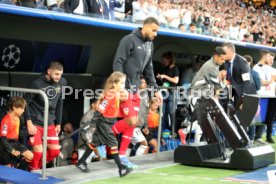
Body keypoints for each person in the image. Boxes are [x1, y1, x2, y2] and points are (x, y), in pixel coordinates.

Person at [112, 17, 161, 168]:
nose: (155, 34)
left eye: (157, 31)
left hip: (136, 89)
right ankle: (105, 133)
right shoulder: (129, 39)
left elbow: (148, 69)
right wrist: (120, 87)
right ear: (144, 26)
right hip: (124, 89)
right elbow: (118, 62)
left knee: (132, 125)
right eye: (153, 30)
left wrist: (155, 90)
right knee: (131, 121)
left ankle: (121, 156)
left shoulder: (150, 45)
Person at [75, 71, 133, 177]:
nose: (123, 86)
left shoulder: (115, 94)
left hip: (108, 122)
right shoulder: (110, 95)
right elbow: (101, 108)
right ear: (114, 83)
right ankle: (121, 168)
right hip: (104, 123)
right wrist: (93, 123)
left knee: (94, 143)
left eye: (124, 83)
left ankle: (81, 162)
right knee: (114, 144)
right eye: (122, 83)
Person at [178, 46, 226, 145]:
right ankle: (184, 132)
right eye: (222, 59)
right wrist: (228, 90)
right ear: (216, 56)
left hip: (203, 94)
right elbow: (218, 85)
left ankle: (195, 142)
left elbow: (213, 84)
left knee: (204, 119)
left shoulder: (215, 64)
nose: (223, 61)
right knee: (203, 119)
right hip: (195, 95)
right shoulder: (210, 66)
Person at [24, 61, 67, 170]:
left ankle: (35, 167)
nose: (59, 77)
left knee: (55, 152)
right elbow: (25, 104)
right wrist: (29, 123)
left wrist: (58, 123)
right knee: (37, 153)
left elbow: (60, 103)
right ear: (49, 71)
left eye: (61, 74)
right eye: (56, 74)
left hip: (50, 123)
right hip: (35, 123)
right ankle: (32, 173)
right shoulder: (36, 83)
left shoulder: (62, 82)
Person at [0, 96, 33, 169]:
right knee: (8, 172)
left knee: (30, 155)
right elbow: (3, 139)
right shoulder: (6, 120)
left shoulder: (20, 118)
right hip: (5, 146)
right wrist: (12, 150)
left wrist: (31, 136)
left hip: (16, 143)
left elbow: (20, 131)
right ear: (14, 107)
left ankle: (20, 172)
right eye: (22, 108)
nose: (23, 111)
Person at [221, 42, 256, 109]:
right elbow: (230, 81)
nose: (222, 55)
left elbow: (247, 82)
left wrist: (243, 101)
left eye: (224, 53)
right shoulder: (226, 62)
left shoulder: (242, 62)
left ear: (231, 52)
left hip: (246, 93)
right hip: (235, 91)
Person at [156, 51, 179, 131]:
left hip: (172, 93)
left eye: (164, 61)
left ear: (169, 60)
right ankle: (163, 130)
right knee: (163, 113)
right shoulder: (165, 69)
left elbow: (176, 81)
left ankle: (174, 131)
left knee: (171, 113)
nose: (163, 62)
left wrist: (165, 76)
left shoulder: (175, 68)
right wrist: (161, 78)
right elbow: (166, 83)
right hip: (165, 92)